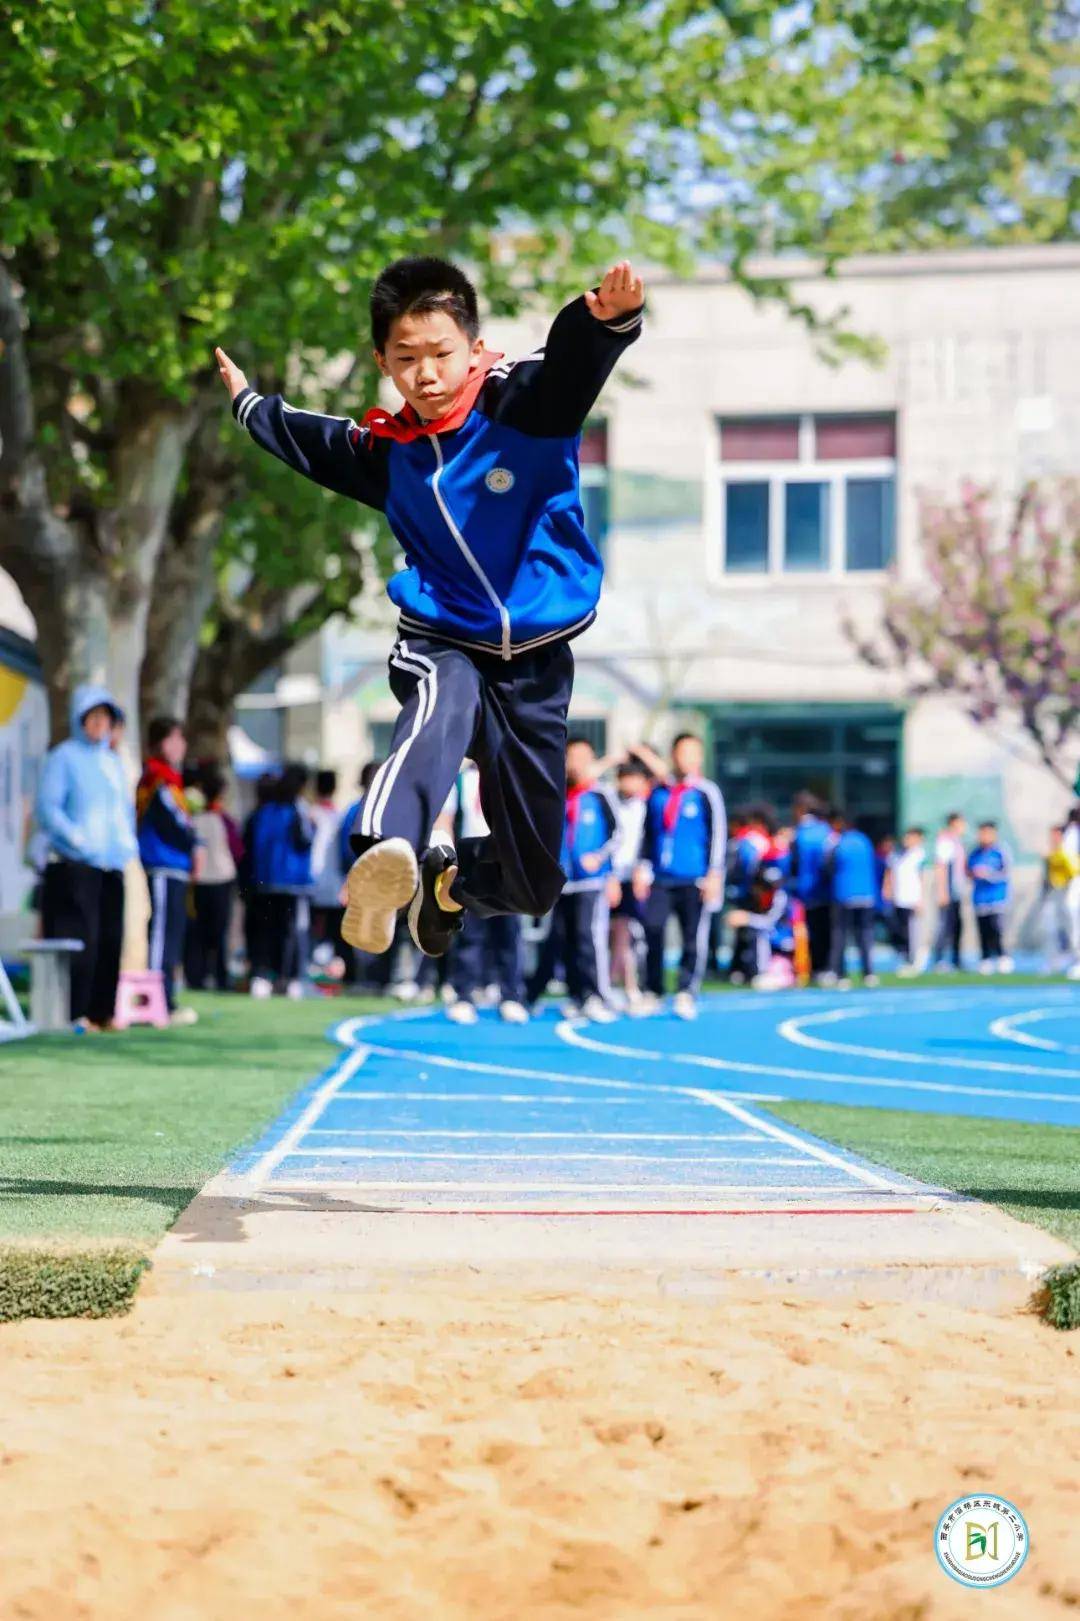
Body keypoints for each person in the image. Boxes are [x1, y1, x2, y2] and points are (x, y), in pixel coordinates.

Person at [217, 255, 644, 967]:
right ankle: (386, 847)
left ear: (473, 349)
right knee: (444, 695)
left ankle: (446, 886)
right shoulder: (390, 454)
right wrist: (250, 406)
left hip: (536, 658)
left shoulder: (521, 407)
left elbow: (569, 365)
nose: (426, 375)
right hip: (442, 635)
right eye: (406, 358)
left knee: (535, 881)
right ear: (381, 359)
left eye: (441, 354)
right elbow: (314, 442)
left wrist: (604, 322)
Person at [35, 684, 137, 1032]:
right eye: (92, 717)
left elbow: (123, 810)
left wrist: (126, 845)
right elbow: (48, 809)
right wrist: (77, 839)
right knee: (84, 939)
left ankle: (102, 1011)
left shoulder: (112, 761)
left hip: (112, 863)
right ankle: (76, 1011)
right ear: (80, 720)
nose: (98, 724)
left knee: (111, 937)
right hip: (77, 864)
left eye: (104, 718)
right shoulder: (64, 756)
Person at [633, 732, 726, 1019]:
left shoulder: (706, 792)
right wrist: (641, 867)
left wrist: (714, 873)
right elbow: (648, 832)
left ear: (699, 758)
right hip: (661, 877)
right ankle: (653, 990)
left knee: (691, 937)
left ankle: (686, 991)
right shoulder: (659, 793)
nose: (686, 759)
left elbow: (718, 834)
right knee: (654, 930)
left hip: (695, 878)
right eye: (681, 753)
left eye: (692, 753)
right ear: (673, 756)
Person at [526, 736, 618, 1022]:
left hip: (591, 882)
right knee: (560, 939)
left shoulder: (601, 795)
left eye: (583, 758)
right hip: (562, 883)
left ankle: (595, 995)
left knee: (586, 937)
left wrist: (600, 860)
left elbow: (619, 835)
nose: (577, 765)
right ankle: (575, 994)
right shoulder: (558, 796)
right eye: (572, 758)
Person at [438, 761, 528, 1025]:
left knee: (509, 933)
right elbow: (446, 819)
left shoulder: (511, 775)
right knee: (469, 934)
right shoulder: (460, 780)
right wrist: (447, 859)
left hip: (506, 861)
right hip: (471, 860)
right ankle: (464, 995)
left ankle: (511, 995)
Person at [136, 716, 202, 1026]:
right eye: (171, 739)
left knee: (172, 935)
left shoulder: (172, 781)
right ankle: (155, 1001)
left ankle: (166, 998)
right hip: (161, 866)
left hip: (175, 868)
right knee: (161, 934)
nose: (179, 746)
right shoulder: (156, 779)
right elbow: (175, 826)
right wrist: (194, 841)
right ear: (157, 743)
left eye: (181, 739)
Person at [247, 764, 315, 999]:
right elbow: (305, 840)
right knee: (291, 933)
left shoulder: (264, 811)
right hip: (292, 882)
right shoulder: (297, 810)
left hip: (266, 881)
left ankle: (262, 977)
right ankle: (290, 979)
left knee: (266, 931)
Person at [187, 765, 242, 991]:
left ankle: (197, 976)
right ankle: (221, 977)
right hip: (222, 878)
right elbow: (238, 850)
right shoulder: (225, 821)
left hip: (198, 882)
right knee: (220, 933)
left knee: (198, 932)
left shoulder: (193, 819)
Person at [608, 756, 652, 1011]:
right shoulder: (610, 801)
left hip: (633, 877)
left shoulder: (646, 806)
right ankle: (620, 986)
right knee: (614, 935)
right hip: (610, 876)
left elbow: (647, 842)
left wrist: (641, 869)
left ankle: (626, 986)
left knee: (624, 934)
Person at [824, 810, 878, 988]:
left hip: (844, 894)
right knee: (865, 935)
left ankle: (840, 973)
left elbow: (828, 866)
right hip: (866, 894)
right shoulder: (865, 841)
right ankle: (868, 973)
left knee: (840, 935)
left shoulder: (837, 842)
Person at [788, 792, 834, 980]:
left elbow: (794, 864)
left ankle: (816, 968)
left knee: (812, 930)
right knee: (828, 929)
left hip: (807, 889)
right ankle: (829, 968)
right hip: (827, 890)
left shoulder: (800, 834)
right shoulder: (826, 830)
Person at [967, 821, 1013, 974]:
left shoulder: (1001, 851)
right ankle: (985, 958)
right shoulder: (975, 853)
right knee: (983, 929)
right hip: (980, 898)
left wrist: (989, 875)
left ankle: (1002, 956)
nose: (984, 836)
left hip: (997, 897)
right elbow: (967, 871)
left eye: (987, 833)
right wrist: (975, 874)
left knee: (997, 929)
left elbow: (1006, 872)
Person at [309, 768, 345, 964]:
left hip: (313, 880)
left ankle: (317, 963)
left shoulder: (310, 814)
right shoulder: (340, 816)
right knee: (332, 928)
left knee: (315, 927)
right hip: (335, 882)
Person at [883, 826, 926, 974]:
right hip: (898, 897)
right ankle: (903, 956)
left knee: (912, 930)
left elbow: (922, 877)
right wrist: (887, 888)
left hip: (912, 898)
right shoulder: (896, 855)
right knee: (899, 929)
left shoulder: (919, 855)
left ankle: (914, 959)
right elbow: (889, 873)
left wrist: (921, 898)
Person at [930, 811, 967, 972]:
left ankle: (955, 959)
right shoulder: (945, 841)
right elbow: (941, 866)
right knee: (945, 925)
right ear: (954, 823)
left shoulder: (957, 841)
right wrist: (943, 891)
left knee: (957, 925)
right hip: (948, 891)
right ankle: (939, 959)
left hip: (957, 890)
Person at [1041, 824, 1079, 973]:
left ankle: (1077, 960)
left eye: (1056, 835)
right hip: (1055, 896)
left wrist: (1068, 894)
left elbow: (1074, 875)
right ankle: (1054, 960)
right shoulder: (1052, 855)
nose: (1053, 839)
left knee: (1073, 928)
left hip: (1068, 895)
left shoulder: (1067, 854)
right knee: (1051, 927)